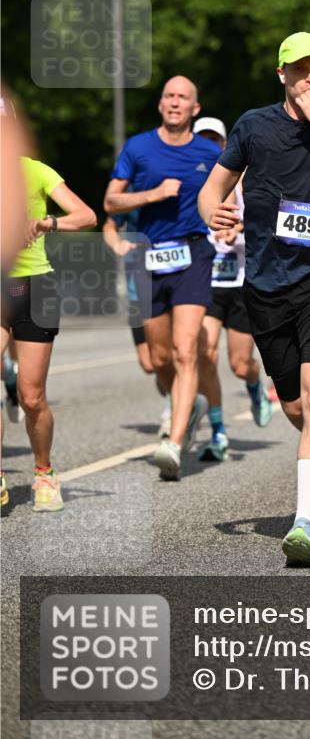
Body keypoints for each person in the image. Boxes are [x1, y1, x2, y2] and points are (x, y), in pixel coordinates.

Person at [199, 31, 310, 565]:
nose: (309, 78)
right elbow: (214, 186)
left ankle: (304, 525)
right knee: (298, 407)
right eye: (299, 70)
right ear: (281, 74)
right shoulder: (253, 126)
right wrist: (212, 211)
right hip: (267, 286)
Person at [104, 76, 220, 481]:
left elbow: (229, 197)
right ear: (160, 105)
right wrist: (151, 195)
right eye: (169, 96)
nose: (174, 102)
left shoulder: (209, 152)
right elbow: (110, 201)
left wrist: (230, 221)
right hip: (147, 257)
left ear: (195, 108)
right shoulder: (138, 148)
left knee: (187, 349)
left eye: (182, 97)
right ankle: (187, 405)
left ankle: (173, 441)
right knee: (159, 359)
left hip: (193, 255)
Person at [1, 156, 96, 509]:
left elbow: (86, 216)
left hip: (34, 288)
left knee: (31, 397)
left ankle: (44, 471)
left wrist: (47, 223)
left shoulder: (35, 170)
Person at [192, 116, 272, 463]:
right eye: (202, 141)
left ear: (225, 145)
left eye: (214, 141)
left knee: (240, 364)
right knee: (204, 354)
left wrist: (237, 230)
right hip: (207, 284)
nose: (209, 147)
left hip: (241, 283)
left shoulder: (245, 181)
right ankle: (218, 429)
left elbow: (268, 221)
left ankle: (255, 388)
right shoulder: (196, 184)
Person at [102, 211, 171, 438]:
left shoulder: (176, 183)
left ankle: (173, 408)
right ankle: (174, 389)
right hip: (136, 288)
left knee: (171, 354)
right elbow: (110, 226)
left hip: (170, 282)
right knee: (150, 364)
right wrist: (116, 244)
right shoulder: (131, 189)